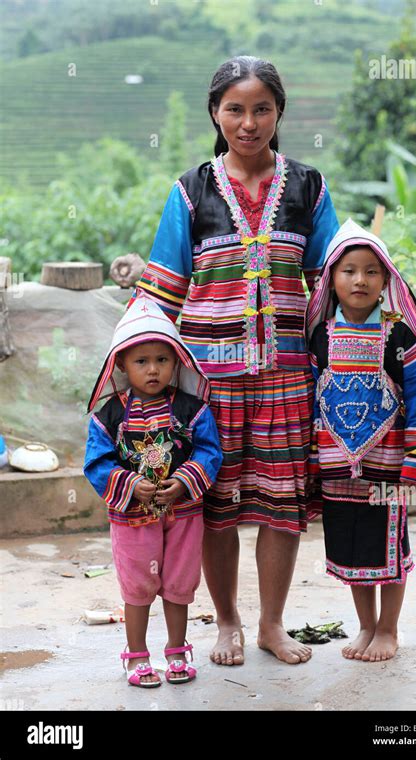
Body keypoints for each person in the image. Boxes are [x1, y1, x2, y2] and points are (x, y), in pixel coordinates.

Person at [128, 55, 340, 666]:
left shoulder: (307, 187)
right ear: (215, 114)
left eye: (262, 109)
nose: (248, 123)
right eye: (235, 110)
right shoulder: (190, 192)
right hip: (208, 386)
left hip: (286, 381)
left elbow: (330, 283)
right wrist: (140, 378)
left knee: (281, 506)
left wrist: (365, 351)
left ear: (279, 113)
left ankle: (272, 624)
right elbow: (162, 292)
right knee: (215, 508)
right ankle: (226, 623)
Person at [307, 218, 416, 662]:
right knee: (352, 547)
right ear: (331, 279)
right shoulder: (320, 337)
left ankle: (389, 629)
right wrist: (310, 461)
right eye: (348, 271)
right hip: (337, 466)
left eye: (371, 271)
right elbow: (311, 401)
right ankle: (364, 625)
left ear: (386, 280)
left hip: (388, 467)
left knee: (388, 545)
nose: (359, 280)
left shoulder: (401, 337)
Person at [83, 296, 223, 687]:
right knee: (139, 584)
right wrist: (131, 484)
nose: (152, 369)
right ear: (122, 366)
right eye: (141, 361)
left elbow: (211, 452)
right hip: (131, 518)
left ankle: (177, 652)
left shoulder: (193, 409)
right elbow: (96, 464)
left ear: (176, 362)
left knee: (180, 581)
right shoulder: (108, 416)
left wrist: (183, 482)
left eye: (162, 359)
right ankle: (136, 657)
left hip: (184, 514)